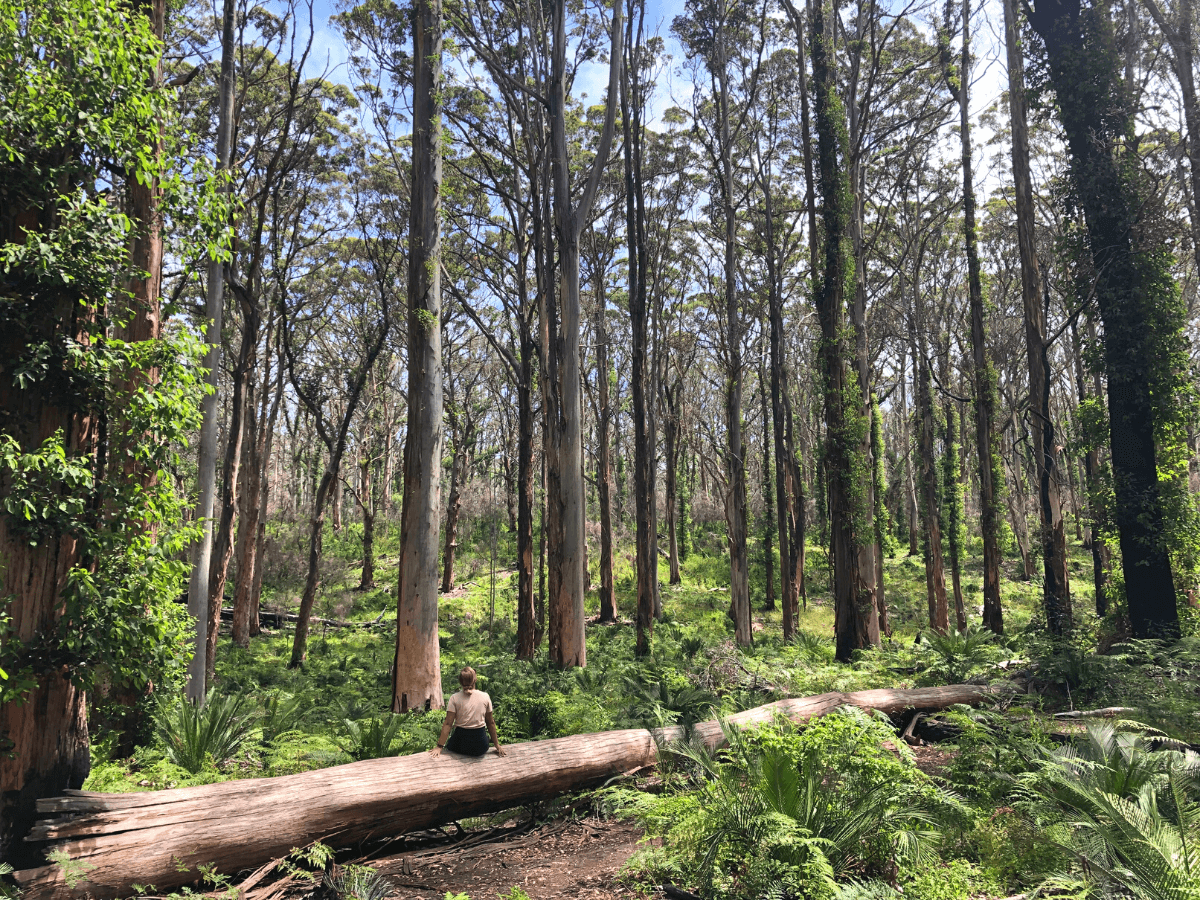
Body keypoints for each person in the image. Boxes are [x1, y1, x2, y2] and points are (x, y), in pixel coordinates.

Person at [431, 666, 505, 758]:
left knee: (452, 742)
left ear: (460, 681)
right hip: (480, 747)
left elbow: (448, 724)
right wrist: (497, 745)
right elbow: (490, 722)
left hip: (459, 745)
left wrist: (439, 746)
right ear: (475, 680)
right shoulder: (485, 696)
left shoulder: (454, 698)